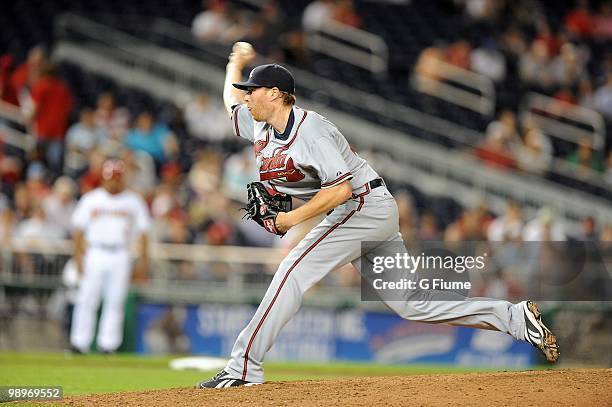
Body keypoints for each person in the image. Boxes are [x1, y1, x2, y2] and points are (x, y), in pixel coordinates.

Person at [196, 43, 560, 389]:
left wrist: (290, 220)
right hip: (370, 211)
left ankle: (243, 367)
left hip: (360, 205)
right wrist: (235, 63)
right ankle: (513, 318)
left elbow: (340, 190)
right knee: (412, 303)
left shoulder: (312, 130)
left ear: (275, 93)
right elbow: (230, 101)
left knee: (292, 270)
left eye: (253, 90)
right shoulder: (259, 124)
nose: (247, 95)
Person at [69, 159, 151, 354]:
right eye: (111, 178)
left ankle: (108, 345)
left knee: (115, 300)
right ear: (104, 179)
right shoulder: (92, 199)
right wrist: (78, 257)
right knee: (87, 298)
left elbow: (144, 233)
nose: (114, 182)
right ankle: (79, 343)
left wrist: (144, 261)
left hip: (121, 253)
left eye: (117, 178)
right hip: (95, 252)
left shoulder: (133, 201)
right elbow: (78, 232)